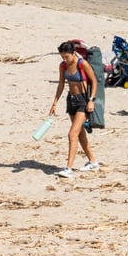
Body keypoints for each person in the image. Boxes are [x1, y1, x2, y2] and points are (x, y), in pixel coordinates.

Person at [49, 40, 99, 176]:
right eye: (62, 57)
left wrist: (91, 100)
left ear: (73, 53)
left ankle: (68, 168)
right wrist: (54, 103)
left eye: (67, 57)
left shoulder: (82, 64)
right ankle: (93, 162)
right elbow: (60, 84)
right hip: (71, 100)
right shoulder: (63, 66)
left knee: (72, 134)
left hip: (83, 100)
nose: (65, 59)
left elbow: (94, 81)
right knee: (80, 133)